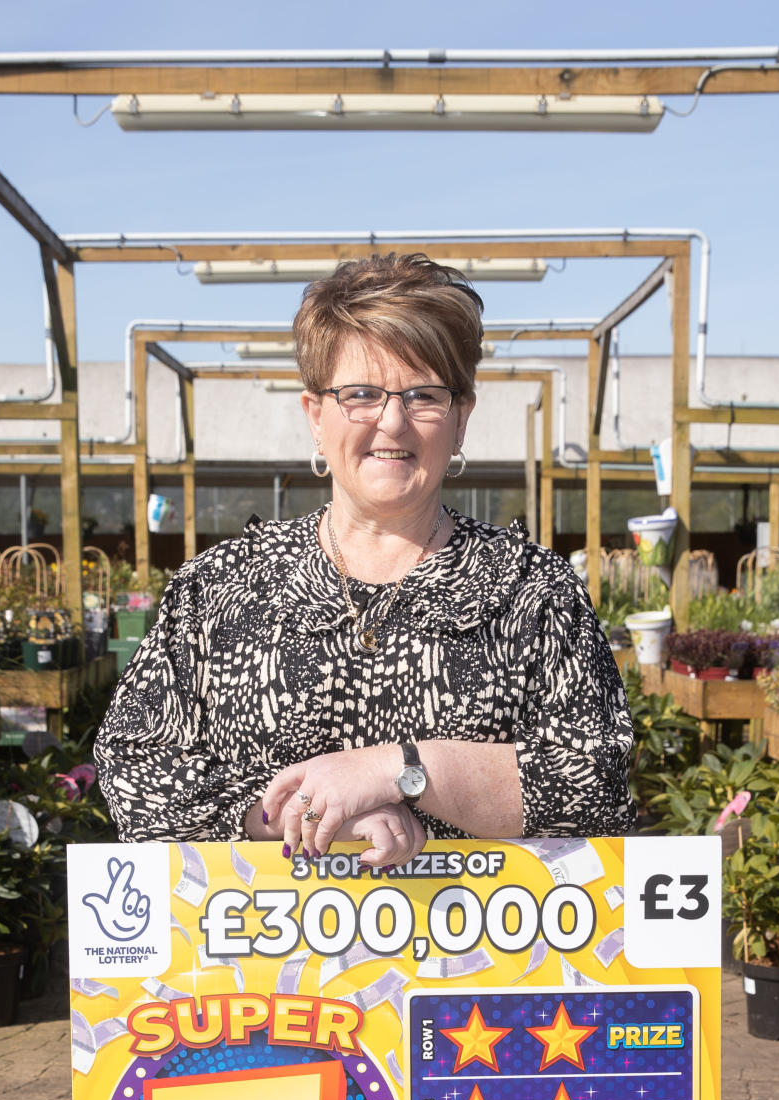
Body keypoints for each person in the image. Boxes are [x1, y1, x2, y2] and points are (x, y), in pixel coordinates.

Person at [95, 253, 634, 864]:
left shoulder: (531, 592)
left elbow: (599, 782)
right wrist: (307, 813)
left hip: (480, 953)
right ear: (315, 417)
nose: (393, 421)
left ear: (461, 419)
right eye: (360, 394)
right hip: (262, 953)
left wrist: (398, 770)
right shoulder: (220, 589)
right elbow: (134, 765)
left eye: (425, 395)